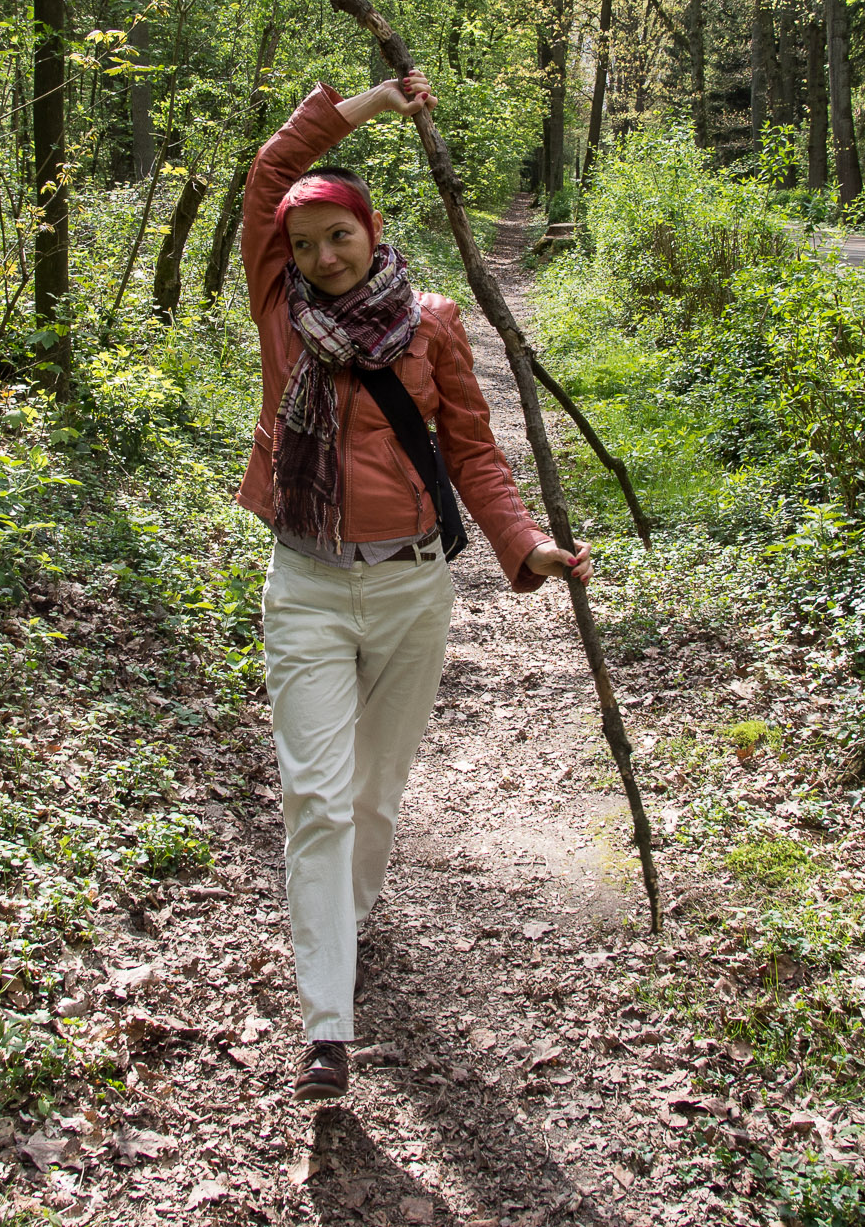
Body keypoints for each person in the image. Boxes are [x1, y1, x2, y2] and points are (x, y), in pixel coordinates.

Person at [237, 70, 593, 1102]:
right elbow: (270, 171)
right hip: (306, 582)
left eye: (338, 237)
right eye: (306, 244)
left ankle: (343, 923)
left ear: (371, 230)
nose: (322, 257)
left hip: (409, 588)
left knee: (373, 795)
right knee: (315, 796)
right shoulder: (279, 305)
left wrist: (525, 545)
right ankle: (326, 1022)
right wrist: (365, 106)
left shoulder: (432, 322)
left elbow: (472, 454)